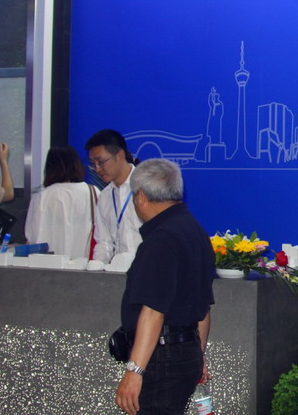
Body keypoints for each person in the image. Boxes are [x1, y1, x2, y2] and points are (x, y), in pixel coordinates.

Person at [115, 158, 214, 415]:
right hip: (186, 351)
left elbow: (153, 311)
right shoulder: (196, 232)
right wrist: (198, 354)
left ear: (141, 197)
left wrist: (135, 371)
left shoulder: (162, 239)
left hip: (163, 358)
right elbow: (203, 308)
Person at [25, 146, 100, 259]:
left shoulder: (42, 196)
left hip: (46, 264)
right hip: (84, 264)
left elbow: (32, 236)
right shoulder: (93, 192)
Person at [86, 129, 142, 264]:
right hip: (118, 272)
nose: (97, 169)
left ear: (120, 155)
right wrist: (97, 266)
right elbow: (104, 242)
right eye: (93, 164)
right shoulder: (105, 196)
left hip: (149, 269)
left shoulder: (148, 185)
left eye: (101, 162)